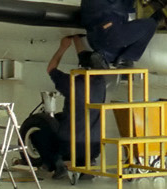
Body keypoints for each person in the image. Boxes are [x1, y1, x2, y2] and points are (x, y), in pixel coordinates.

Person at [25, 35, 110, 177]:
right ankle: (87, 163)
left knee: (37, 136)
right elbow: (85, 59)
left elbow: (51, 68)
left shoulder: (71, 83)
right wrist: (78, 40)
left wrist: (63, 47)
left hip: (70, 146)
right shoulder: (101, 83)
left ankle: (57, 164)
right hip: (94, 146)